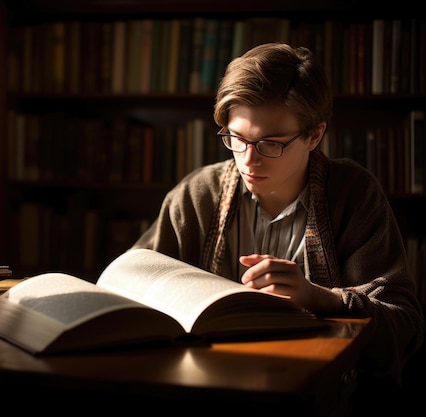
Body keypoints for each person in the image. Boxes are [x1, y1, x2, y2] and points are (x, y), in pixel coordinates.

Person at [131, 42, 423, 402]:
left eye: (271, 143)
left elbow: (405, 324)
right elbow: (134, 284)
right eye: (236, 138)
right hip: (205, 390)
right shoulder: (198, 193)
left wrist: (320, 298)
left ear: (314, 135)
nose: (249, 160)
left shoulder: (353, 193)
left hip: (317, 397)